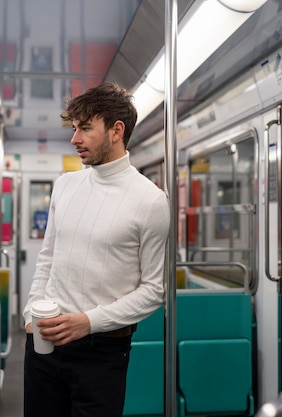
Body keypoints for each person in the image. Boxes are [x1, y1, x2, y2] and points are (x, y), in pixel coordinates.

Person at [22, 82, 170, 417]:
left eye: (86, 128)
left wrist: (88, 322)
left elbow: (153, 290)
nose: (75, 139)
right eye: (74, 128)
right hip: (44, 344)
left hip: (101, 350)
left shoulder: (149, 201)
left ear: (117, 130)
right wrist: (31, 314)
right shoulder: (66, 185)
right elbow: (48, 259)